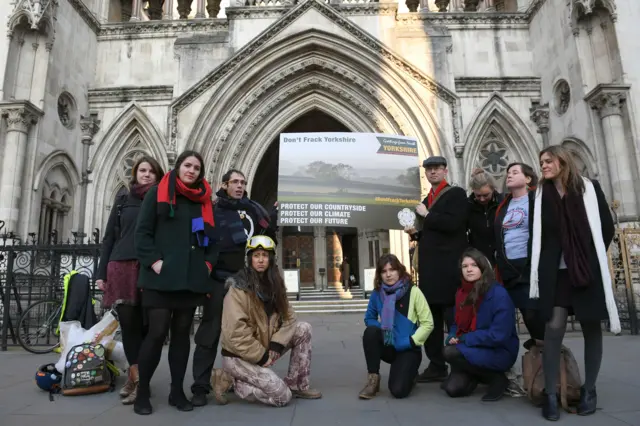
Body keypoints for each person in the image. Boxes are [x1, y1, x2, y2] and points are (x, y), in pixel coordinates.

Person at [530, 145, 619, 420]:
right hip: (556, 273)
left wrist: (588, 258)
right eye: (541, 162)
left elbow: (606, 227)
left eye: (548, 161)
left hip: (585, 271)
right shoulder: (541, 196)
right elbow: (539, 235)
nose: (543, 165)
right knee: (553, 328)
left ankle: (589, 390)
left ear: (562, 162)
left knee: (591, 327)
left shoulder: (589, 189)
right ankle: (552, 395)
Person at [133, 150, 218, 415]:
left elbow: (211, 240)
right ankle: (143, 391)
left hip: (190, 280)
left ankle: (176, 391)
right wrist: (155, 262)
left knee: (182, 335)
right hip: (160, 278)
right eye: (187, 165)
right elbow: (143, 233)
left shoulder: (202, 201)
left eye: (196, 167)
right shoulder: (157, 193)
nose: (191, 171)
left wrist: (206, 265)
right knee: (157, 333)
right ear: (178, 166)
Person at [191, 169, 277, 406]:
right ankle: (200, 386)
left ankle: (238, 380)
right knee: (210, 333)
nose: (240, 186)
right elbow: (199, 244)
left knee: (246, 335)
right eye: (235, 182)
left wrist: (275, 215)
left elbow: (266, 238)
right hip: (219, 281)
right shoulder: (211, 209)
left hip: (248, 283)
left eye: (243, 182)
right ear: (225, 184)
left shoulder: (254, 210)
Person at [214, 235, 322, 407]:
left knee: (303, 328)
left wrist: (276, 344)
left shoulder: (275, 285)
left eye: (265, 256)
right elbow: (235, 333)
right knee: (282, 397)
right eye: (256, 256)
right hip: (238, 357)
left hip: (265, 347)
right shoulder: (238, 289)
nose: (261, 260)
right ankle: (230, 380)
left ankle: (297, 384)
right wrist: (262, 356)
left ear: (271, 259)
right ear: (249, 259)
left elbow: (290, 317)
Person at [96, 155, 164, 405]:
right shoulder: (123, 199)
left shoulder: (161, 200)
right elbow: (108, 238)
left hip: (148, 268)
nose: (146, 174)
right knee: (129, 328)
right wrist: (101, 273)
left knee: (149, 329)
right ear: (135, 173)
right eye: (142, 170)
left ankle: (139, 379)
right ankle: (136, 380)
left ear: (158, 175)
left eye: (151, 171)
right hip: (121, 267)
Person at [405, 156, 468, 383]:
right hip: (430, 271)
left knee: (453, 317)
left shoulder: (456, 194)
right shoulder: (427, 199)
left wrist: (427, 215)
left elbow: (454, 224)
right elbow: (432, 234)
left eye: (436, 168)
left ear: (445, 170)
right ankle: (436, 364)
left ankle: (458, 365)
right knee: (429, 320)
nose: (432, 172)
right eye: (428, 169)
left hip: (449, 269)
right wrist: (416, 234)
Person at [441, 248, 519, 401]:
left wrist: (464, 339)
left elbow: (499, 335)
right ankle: (478, 375)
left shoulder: (498, 294)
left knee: (449, 352)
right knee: (453, 389)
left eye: (474, 265)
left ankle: (497, 378)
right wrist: (452, 335)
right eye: (465, 266)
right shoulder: (461, 293)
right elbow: (456, 324)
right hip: (472, 347)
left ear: (483, 267)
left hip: (499, 350)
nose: (469, 269)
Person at [359, 254, 433, 400]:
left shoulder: (413, 292)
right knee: (371, 333)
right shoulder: (377, 293)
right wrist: (385, 330)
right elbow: (369, 318)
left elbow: (428, 323)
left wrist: (411, 341)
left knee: (398, 391)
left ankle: (410, 373)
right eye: (384, 271)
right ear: (379, 274)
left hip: (408, 347)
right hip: (389, 344)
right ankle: (373, 379)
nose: (388, 274)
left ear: (399, 270)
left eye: (392, 270)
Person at [494, 163, 545, 342]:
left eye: (515, 172)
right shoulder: (503, 204)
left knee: (532, 314)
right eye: (508, 173)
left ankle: (545, 349)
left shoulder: (536, 199)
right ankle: (539, 352)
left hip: (530, 265)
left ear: (528, 178)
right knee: (516, 315)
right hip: (509, 266)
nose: (509, 175)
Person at [467, 168, 502, 265]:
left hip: (500, 258)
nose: (482, 199)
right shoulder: (467, 206)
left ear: (493, 189)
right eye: (478, 196)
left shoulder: (503, 203)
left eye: (486, 195)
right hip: (477, 258)